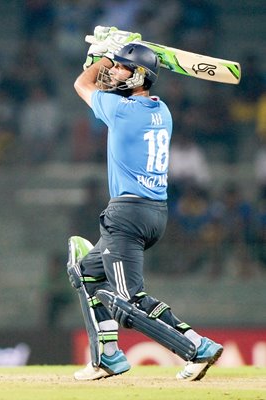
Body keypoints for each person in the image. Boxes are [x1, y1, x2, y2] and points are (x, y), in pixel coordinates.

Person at [70, 26, 223, 382]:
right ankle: (108, 356)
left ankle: (195, 346)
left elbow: (83, 84)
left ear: (138, 75)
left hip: (127, 215)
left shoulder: (122, 112)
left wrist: (104, 55)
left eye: (123, 68)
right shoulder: (162, 110)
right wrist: (110, 59)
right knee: (85, 271)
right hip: (154, 212)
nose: (115, 72)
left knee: (128, 300)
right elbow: (104, 85)